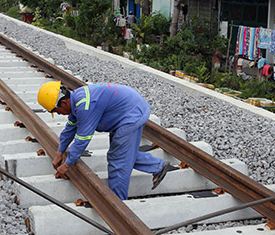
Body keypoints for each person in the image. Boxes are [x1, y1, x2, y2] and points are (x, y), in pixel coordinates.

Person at [37, 81, 173, 200]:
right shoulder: (76, 101)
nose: (58, 114)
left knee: (118, 159)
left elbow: (82, 139)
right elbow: (69, 130)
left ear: (64, 102)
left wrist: (66, 165)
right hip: (126, 111)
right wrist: (59, 152)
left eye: (56, 110)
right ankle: (158, 166)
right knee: (122, 152)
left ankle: (118, 202)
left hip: (131, 114)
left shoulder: (85, 105)